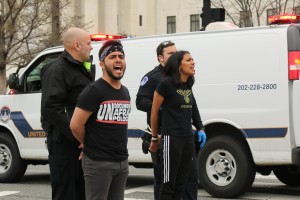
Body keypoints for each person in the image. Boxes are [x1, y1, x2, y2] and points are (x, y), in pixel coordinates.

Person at [136, 41, 204, 200]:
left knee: (189, 179)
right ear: (161, 58)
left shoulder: (185, 80)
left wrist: (200, 127)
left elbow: (192, 104)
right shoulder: (154, 78)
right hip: (164, 135)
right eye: (171, 54)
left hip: (185, 136)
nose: (176, 56)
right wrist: (163, 106)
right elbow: (140, 102)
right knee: (165, 181)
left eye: (176, 53)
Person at [70, 39, 130, 200]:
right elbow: (75, 125)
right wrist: (89, 143)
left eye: (121, 56)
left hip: (122, 162)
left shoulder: (125, 92)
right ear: (102, 64)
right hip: (98, 163)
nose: (118, 60)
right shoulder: (94, 90)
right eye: (112, 57)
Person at [41, 27, 94, 200]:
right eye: (88, 43)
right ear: (76, 46)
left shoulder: (81, 69)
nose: (91, 47)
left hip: (81, 144)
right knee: (66, 194)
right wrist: (77, 136)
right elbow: (51, 108)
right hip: (65, 145)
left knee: (81, 193)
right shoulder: (58, 69)